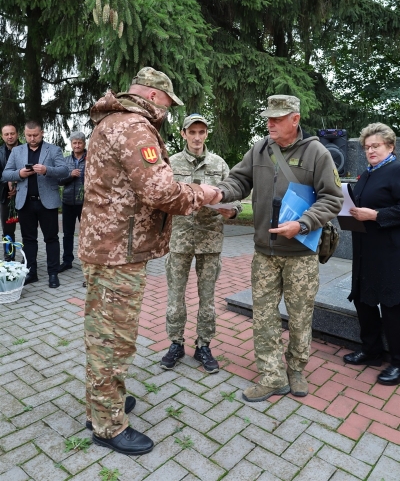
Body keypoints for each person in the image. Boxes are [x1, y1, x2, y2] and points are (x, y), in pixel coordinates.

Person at [78, 67, 221, 456]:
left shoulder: (111, 121)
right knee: (112, 341)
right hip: (117, 254)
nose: (167, 113)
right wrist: (201, 193)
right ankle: (107, 425)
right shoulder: (135, 127)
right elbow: (160, 191)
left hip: (108, 247)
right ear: (155, 97)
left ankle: (101, 404)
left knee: (102, 333)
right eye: (168, 105)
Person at [217, 95, 343, 402]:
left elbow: (333, 199)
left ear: (295, 119)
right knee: (263, 316)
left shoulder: (317, 153)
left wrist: (302, 223)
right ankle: (272, 375)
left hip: (300, 253)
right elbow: (238, 180)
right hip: (264, 252)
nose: (270, 123)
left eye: (277, 118)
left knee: (300, 316)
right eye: (268, 118)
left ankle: (296, 369)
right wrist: (220, 193)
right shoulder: (260, 148)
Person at [160, 114, 241, 373]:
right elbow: (160, 197)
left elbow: (235, 194)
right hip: (179, 239)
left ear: (207, 134)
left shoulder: (218, 164)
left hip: (210, 239)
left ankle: (203, 345)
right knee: (175, 297)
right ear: (183, 133)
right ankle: (175, 343)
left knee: (207, 299)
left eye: (201, 132)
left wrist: (233, 210)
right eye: (192, 132)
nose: (197, 137)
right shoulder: (170, 163)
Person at [343, 123, 400, 386]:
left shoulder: (396, 170)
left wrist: (376, 215)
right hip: (365, 247)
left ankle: (398, 362)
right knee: (364, 300)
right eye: (367, 147)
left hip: (390, 250)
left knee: (391, 307)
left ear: (390, 146)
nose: (370, 151)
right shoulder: (366, 174)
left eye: (375, 146)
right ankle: (371, 350)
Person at [2, 121, 68, 287]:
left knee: (51, 239)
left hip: (48, 203)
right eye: (29, 135)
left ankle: (53, 273)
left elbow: (64, 171)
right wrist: (20, 173)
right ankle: (31, 272)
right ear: (24, 134)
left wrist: (47, 170)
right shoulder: (17, 151)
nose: (32, 138)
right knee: (29, 239)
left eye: (35, 135)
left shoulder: (53, 150)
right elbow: (6, 174)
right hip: (25, 203)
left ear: (42, 133)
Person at [58, 131, 86, 274]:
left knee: (86, 234)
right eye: (74, 143)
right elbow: (59, 181)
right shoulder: (65, 161)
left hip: (85, 203)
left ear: (84, 144)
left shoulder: (91, 159)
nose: (77, 145)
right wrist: (70, 176)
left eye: (79, 143)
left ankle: (87, 262)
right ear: (71, 144)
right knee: (67, 233)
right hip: (68, 202)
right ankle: (67, 261)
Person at [0, 124, 21, 260]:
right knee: (7, 231)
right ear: (2, 136)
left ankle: (28, 260)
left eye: (12, 133)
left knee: (27, 231)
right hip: (5, 196)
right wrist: (8, 182)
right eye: (6, 134)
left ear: (17, 134)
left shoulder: (27, 150)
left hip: (25, 195)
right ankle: (9, 259)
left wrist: (16, 184)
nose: (9, 136)